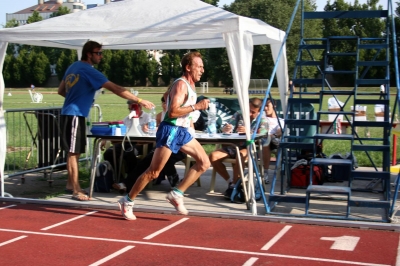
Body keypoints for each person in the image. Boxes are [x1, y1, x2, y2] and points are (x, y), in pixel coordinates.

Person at [117, 51, 211, 220]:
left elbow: (170, 101)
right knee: (153, 172)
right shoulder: (181, 85)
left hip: (182, 131)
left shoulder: (189, 85)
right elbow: (173, 112)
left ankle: (177, 193)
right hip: (171, 130)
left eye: (203, 67)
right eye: (199, 66)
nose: (203, 70)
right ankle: (127, 200)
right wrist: (196, 107)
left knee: (204, 163)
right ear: (188, 68)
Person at [58, 40, 154, 201]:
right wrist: (139, 100)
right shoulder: (89, 70)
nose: (101, 56)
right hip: (75, 114)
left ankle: (70, 184)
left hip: (71, 113)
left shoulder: (73, 66)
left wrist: (76, 98)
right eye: (98, 53)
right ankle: (76, 190)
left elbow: (61, 90)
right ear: (89, 54)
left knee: (74, 151)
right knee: (73, 152)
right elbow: (115, 88)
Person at [209, 97, 268, 200]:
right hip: (234, 146)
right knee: (213, 156)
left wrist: (248, 132)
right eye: (248, 110)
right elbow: (228, 127)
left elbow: (262, 137)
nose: (249, 114)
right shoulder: (239, 114)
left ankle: (235, 185)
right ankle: (231, 183)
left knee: (240, 155)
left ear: (259, 111)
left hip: (252, 148)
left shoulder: (262, 120)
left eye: (252, 112)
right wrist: (226, 129)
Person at [102, 101, 150, 185]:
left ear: (140, 107)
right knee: (109, 153)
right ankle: (118, 178)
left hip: (141, 143)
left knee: (129, 153)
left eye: (133, 108)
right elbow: (119, 131)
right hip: (125, 142)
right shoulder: (127, 119)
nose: (131, 111)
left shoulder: (148, 118)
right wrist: (105, 138)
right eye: (129, 109)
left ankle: (131, 181)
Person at [262, 98, 284, 184]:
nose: (265, 108)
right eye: (264, 106)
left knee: (267, 141)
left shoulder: (281, 121)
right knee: (265, 141)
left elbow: (280, 131)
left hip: (273, 141)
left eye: (267, 106)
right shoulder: (261, 118)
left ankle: (265, 172)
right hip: (261, 139)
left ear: (274, 106)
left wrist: (273, 135)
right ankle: (265, 172)